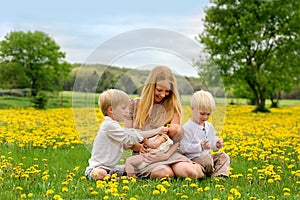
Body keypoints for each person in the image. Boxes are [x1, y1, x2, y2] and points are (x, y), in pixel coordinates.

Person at [124, 65, 204, 179]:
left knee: (190, 172)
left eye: (167, 91)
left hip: (169, 152)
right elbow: (126, 138)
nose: (163, 95)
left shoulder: (172, 107)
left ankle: (201, 166)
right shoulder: (134, 105)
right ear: (150, 87)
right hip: (146, 156)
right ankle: (170, 170)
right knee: (165, 174)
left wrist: (165, 155)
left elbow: (176, 139)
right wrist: (140, 147)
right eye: (159, 90)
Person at [85, 89, 168, 180]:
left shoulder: (115, 125)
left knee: (130, 168)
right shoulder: (108, 126)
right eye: (124, 108)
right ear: (111, 109)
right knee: (100, 173)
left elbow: (125, 144)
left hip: (111, 168)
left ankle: (112, 177)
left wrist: (139, 147)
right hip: (97, 168)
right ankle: (109, 177)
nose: (126, 111)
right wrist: (156, 131)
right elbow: (129, 136)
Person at [180, 90, 230, 177]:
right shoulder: (187, 128)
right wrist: (200, 147)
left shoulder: (209, 126)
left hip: (208, 157)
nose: (205, 117)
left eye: (208, 114)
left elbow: (211, 143)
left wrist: (216, 144)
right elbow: (183, 148)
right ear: (192, 109)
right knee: (207, 161)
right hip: (194, 159)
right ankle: (207, 172)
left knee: (224, 156)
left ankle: (219, 175)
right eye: (202, 114)